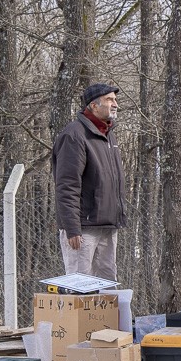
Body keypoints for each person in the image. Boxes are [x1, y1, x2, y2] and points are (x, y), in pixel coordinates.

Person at [52, 83, 126, 282]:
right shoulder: (74, 135)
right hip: (83, 228)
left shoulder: (108, 136)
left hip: (108, 226)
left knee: (108, 289)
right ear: (94, 105)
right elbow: (67, 185)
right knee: (80, 286)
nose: (115, 104)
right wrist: (72, 227)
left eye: (115, 100)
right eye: (110, 100)